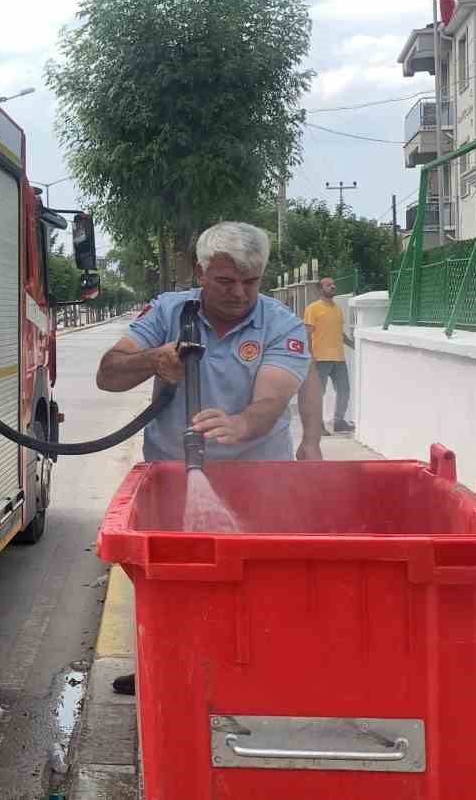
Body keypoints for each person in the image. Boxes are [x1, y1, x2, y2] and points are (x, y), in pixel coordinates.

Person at [96, 221, 322, 695]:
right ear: (201, 272)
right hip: (174, 474)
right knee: (174, 582)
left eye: (251, 281)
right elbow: (109, 375)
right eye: (225, 281)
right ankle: (169, 666)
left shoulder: (282, 324)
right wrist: (152, 360)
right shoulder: (167, 312)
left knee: (257, 582)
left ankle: (254, 673)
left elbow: (271, 401)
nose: (240, 293)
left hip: (257, 478)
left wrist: (243, 424)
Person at [303, 277, 354, 433]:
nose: (333, 286)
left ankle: (339, 422)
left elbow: (340, 333)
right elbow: (307, 334)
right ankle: (317, 425)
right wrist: (310, 356)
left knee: (344, 390)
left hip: (339, 359)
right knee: (318, 394)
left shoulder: (337, 309)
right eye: (328, 285)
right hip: (320, 359)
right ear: (321, 289)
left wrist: (354, 345)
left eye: (333, 284)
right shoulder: (313, 308)